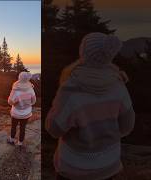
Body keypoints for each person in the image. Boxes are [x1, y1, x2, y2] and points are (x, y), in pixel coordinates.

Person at [45, 32, 135, 180]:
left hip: (73, 170)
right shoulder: (119, 85)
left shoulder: (70, 90)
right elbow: (127, 126)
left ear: (83, 53)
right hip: (108, 166)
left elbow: (54, 129)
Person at [7, 72, 36, 147]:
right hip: (26, 113)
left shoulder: (15, 90)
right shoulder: (30, 89)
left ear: (19, 78)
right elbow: (33, 101)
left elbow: (10, 102)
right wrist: (27, 104)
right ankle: (20, 143)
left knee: (14, 126)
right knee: (23, 128)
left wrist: (17, 102)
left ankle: (12, 140)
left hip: (16, 113)